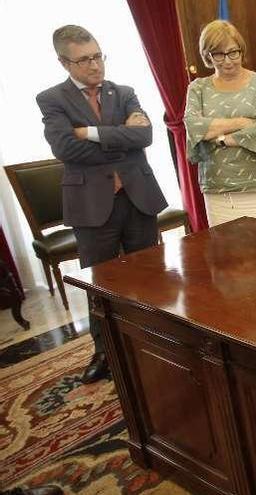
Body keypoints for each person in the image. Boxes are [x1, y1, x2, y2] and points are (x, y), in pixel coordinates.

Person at [37, 25, 168, 383]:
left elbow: (145, 135)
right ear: (64, 62)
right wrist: (121, 137)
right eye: (84, 60)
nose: (95, 66)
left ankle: (154, 343)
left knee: (150, 278)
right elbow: (66, 149)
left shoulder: (123, 92)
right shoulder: (51, 99)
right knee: (102, 284)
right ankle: (105, 353)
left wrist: (92, 133)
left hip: (137, 196)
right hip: (92, 205)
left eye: (98, 56)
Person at [184, 20, 256, 227]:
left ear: (241, 50)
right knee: (226, 256)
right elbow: (194, 127)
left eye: (232, 52)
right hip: (218, 189)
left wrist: (220, 140)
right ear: (207, 55)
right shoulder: (197, 88)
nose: (227, 61)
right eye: (218, 54)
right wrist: (243, 122)